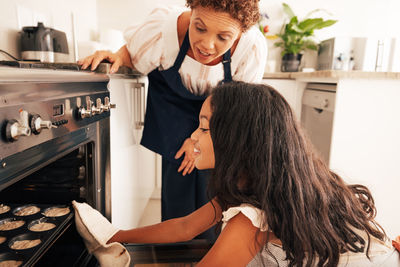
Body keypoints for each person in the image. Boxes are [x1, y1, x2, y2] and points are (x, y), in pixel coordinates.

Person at [74, 81, 400, 266]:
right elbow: (186, 226)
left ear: (236, 141)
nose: (193, 137)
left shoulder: (250, 216)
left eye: (203, 127)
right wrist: (115, 236)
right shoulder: (255, 181)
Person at [78, 0, 267, 240]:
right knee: (178, 185)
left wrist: (200, 140)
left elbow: (240, 107)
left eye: (223, 37)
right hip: (173, 112)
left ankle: (210, 247)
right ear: (191, 12)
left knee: (214, 184)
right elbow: (133, 54)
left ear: (241, 32)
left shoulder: (251, 49)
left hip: (221, 117)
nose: (207, 45)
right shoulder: (164, 28)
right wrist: (116, 56)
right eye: (199, 28)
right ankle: (173, 252)